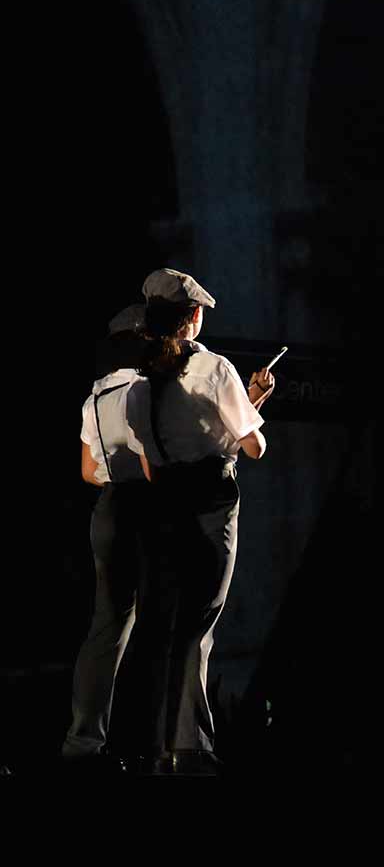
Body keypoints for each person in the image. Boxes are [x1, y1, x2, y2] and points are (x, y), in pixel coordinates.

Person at [123, 269, 275, 774]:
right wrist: (251, 410)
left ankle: (152, 744)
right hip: (211, 504)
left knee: (162, 622)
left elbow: (153, 459)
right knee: (198, 623)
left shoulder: (139, 383)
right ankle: (191, 747)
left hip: (163, 504)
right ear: (192, 317)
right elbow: (252, 447)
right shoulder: (214, 369)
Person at [62, 304, 149, 772]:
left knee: (106, 629)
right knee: (159, 627)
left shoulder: (95, 395)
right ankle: (158, 741)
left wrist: (119, 473)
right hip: (145, 511)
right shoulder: (146, 391)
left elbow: (87, 471)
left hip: (109, 508)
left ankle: (84, 743)